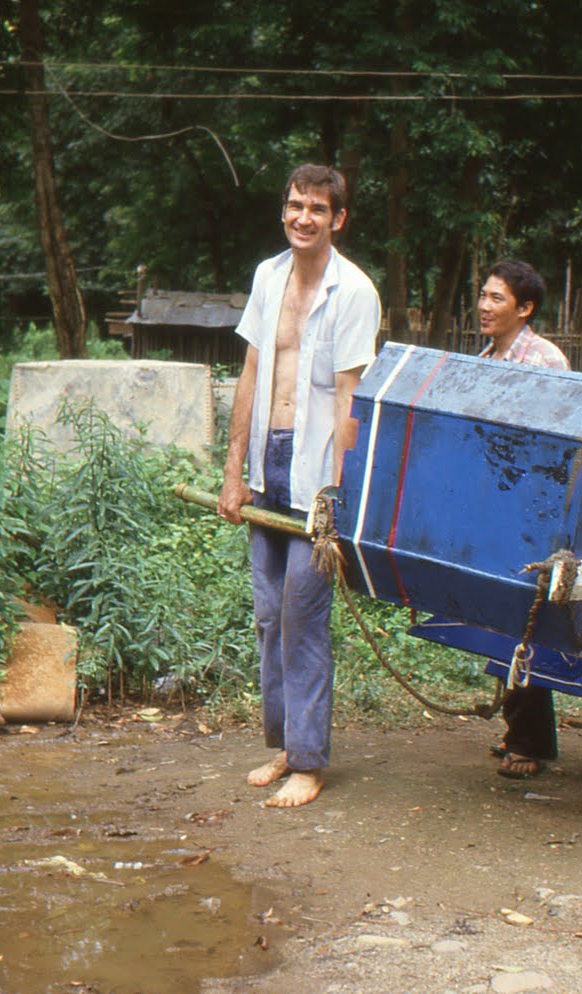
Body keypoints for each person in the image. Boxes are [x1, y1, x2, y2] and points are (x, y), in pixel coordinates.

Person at [218, 164, 381, 808]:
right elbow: (253, 372)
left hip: (317, 474)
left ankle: (310, 762)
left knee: (302, 614)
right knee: (267, 614)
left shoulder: (354, 291)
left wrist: (337, 498)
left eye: (316, 208)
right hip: (267, 463)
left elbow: (350, 401)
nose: (302, 218)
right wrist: (234, 471)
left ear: (337, 219)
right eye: (294, 206)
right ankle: (286, 744)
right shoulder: (268, 276)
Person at [473, 260, 571, 780]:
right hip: (497, 505)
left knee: (526, 619)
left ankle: (529, 741)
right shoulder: (486, 356)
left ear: (524, 308)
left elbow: (554, 447)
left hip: (532, 511)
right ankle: (522, 730)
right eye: (483, 296)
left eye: (496, 298)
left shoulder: (545, 361)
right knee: (503, 616)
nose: (484, 306)